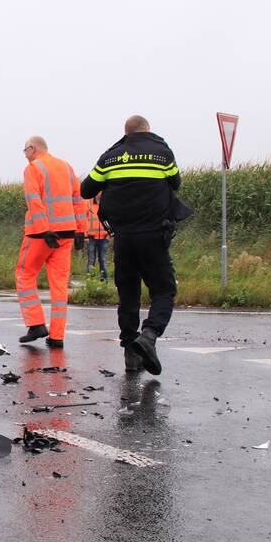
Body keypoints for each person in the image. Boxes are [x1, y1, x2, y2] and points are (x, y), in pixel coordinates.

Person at [80, 115, 180, 375]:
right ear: (147, 130)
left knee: (128, 295)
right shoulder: (162, 152)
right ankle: (149, 335)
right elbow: (175, 183)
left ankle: (130, 355)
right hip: (153, 236)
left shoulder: (110, 156)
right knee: (163, 290)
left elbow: (86, 190)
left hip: (123, 237)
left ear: (126, 133)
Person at [15, 136, 88, 348]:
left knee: (24, 275)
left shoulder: (33, 169)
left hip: (41, 235)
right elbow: (78, 198)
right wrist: (80, 231)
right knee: (59, 286)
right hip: (66, 234)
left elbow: (34, 200)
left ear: (33, 148)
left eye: (25, 150)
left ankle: (36, 324)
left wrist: (43, 229)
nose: (25, 155)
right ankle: (57, 336)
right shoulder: (65, 166)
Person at [85, 193, 109, 281]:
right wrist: (85, 236)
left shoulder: (106, 203)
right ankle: (90, 280)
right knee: (91, 260)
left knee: (102, 260)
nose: (99, 194)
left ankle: (105, 281)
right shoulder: (88, 203)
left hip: (104, 237)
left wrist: (109, 234)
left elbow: (111, 219)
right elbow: (84, 219)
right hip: (91, 237)